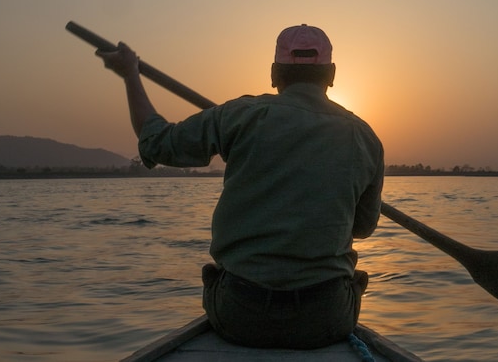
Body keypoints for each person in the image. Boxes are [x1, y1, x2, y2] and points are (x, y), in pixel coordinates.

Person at [96, 24, 384, 349]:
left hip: (240, 314)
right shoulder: (366, 138)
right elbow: (363, 228)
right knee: (354, 281)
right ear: (331, 74)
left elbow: (155, 142)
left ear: (274, 74)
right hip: (326, 318)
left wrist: (130, 75)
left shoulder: (240, 115)